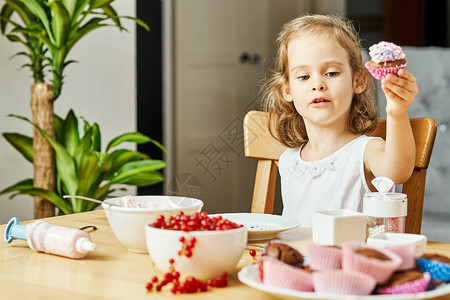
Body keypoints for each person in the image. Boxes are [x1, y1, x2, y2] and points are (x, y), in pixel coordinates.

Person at [261, 14, 418, 227]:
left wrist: (397, 112)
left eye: (332, 73)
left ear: (359, 80)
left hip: (351, 259)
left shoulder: (365, 151)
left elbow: (397, 171)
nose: (318, 84)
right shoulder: (288, 161)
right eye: (304, 77)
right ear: (287, 90)